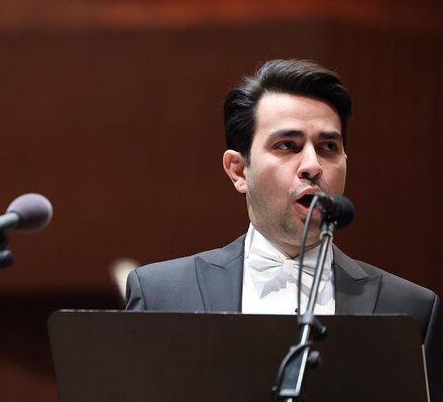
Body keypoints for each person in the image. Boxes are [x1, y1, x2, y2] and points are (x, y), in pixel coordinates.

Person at [126, 59, 442, 400]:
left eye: (328, 147)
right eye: (287, 145)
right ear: (239, 171)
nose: (313, 166)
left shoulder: (412, 309)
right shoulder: (161, 295)